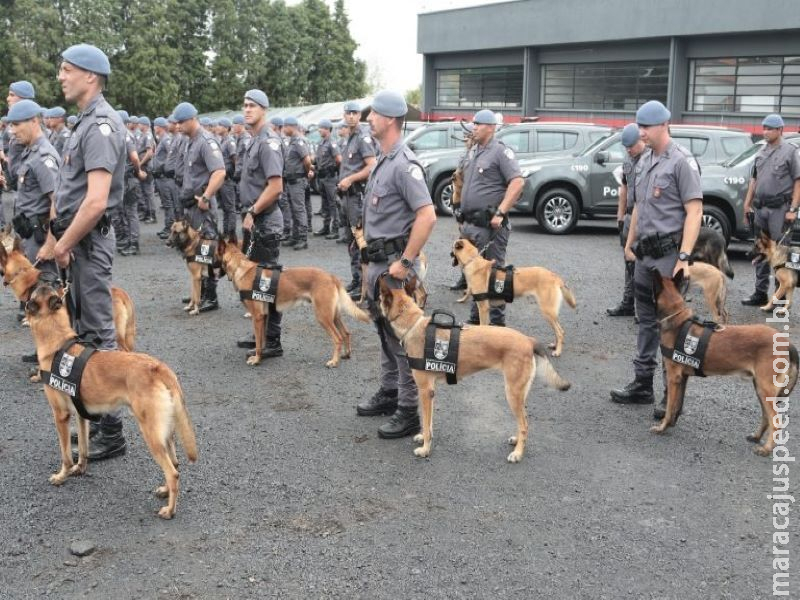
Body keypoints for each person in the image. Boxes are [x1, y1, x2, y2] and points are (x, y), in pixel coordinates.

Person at [49, 43, 127, 460]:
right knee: (80, 330)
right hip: (78, 242)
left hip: (88, 242)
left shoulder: (101, 125)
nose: (60, 76)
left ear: (90, 76)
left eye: (67, 69)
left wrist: (64, 244)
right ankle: (94, 418)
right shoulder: (83, 123)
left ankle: (111, 431)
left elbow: (95, 201)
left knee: (98, 331)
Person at [610, 100, 703, 421]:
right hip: (645, 256)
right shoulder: (645, 159)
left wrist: (685, 257)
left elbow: (695, 211)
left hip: (668, 259)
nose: (641, 133)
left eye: (645, 127)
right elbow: (637, 205)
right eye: (640, 127)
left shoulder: (681, 162)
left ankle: (671, 393)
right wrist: (630, 242)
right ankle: (642, 384)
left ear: (663, 125)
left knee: (673, 326)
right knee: (645, 321)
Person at [355, 90, 437, 439]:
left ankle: (408, 410)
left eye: (372, 113)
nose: (368, 118)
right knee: (385, 336)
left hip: (395, 269)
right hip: (379, 267)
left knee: (405, 341)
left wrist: (406, 261)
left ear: (389, 119)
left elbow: (428, 216)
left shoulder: (404, 164)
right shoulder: (383, 159)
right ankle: (390, 393)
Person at [457, 108, 523, 326]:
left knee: (495, 276)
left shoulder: (500, 152)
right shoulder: (474, 151)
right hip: (471, 224)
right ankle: (477, 320)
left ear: (491, 127)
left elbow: (517, 182)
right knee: (475, 275)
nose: (473, 127)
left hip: (490, 225)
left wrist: (501, 211)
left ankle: (496, 324)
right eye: (473, 123)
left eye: (478, 124)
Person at [5, 99, 60, 363]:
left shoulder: (44, 156)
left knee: (47, 295)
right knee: (36, 298)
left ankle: (53, 355)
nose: (12, 130)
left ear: (34, 121)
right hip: (31, 234)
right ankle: (43, 349)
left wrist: (51, 242)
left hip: (42, 236)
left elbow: (56, 200)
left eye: (16, 124)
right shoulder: (28, 153)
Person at [236, 89, 285, 359]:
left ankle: (272, 341)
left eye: (252, 106)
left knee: (267, 283)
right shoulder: (253, 140)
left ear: (263, 109)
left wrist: (253, 211)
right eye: (244, 105)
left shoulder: (268, 142)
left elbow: (276, 186)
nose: (247, 110)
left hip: (265, 222)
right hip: (256, 221)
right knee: (257, 283)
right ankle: (260, 334)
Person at [741, 113, 800, 306]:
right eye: (763, 128)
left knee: (782, 253)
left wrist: (793, 208)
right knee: (761, 249)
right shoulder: (761, 152)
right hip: (760, 209)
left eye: (769, 129)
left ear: (780, 130)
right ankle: (760, 293)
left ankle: (780, 297)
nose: (765, 132)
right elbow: (754, 180)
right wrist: (746, 204)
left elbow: (798, 181)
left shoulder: (790, 151)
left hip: (780, 209)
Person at [172, 101, 226, 312]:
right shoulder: (190, 141)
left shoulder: (206, 141)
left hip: (202, 208)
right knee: (196, 251)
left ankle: (211, 297)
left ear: (192, 119)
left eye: (181, 122)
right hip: (191, 208)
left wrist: (205, 196)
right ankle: (199, 293)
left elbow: (219, 172)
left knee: (207, 250)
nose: (177, 126)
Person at [607, 123, 646, 318]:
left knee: (643, 263)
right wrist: (620, 217)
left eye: (631, 146)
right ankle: (628, 303)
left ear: (642, 140)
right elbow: (624, 188)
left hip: (646, 217)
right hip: (631, 214)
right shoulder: (628, 160)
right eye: (626, 147)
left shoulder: (650, 159)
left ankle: (643, 309)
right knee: (628, 261)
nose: (629, 150)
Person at [338, 101, 376, 297]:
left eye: (354, 113)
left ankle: (366, 285)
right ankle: (357, 279)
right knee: (351, 240)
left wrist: (350, 178)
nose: (351, 116)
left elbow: (372, 165)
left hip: (357, 195)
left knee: (360, 240)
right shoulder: (349, 138)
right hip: (346, 197)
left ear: (359, 116)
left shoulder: (363, 138)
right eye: (348, 113)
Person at [281, 116, 313, 250]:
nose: (283, 130)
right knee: (294, 210)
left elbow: (307, 161)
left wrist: (305, 174)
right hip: (291, 181)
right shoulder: (292, 142)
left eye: (284, 127)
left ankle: (302, 238)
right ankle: (295, 237)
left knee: (299, 210)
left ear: (291, 127)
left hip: (298, 180)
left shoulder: (299, 142)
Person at [312, 118, 342, 238]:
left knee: (333, 203)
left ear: (327, 129)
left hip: (330, 177)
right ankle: (326, 227)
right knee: (324, 204)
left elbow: (339, 160)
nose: (319, 130)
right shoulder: (321, 142)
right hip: (322, 177)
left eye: (321, 128)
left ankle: (335, 230)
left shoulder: (331, 143)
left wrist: (333, 169)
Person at [151, 116, 177, 238]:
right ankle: (168, 226)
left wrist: (163, 167)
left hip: (164, 177)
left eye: (155, 126)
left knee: (169, 204)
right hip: (160, 177)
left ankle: (169, 228)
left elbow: (171, 155)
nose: (154, 128)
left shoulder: (166, 139)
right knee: (167, 204)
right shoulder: (161, 139)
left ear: (159, 127)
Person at [215, 117, 239, 239]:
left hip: (227, 179)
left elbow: (235, 160)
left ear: (226, 128)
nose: (217, 128)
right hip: (221, 180)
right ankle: (225, 231)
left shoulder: (230, 141)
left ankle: (231, 233)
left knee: (230, 208)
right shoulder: (222, 140)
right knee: (225, 207)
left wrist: (234, 176)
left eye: (220, 125)